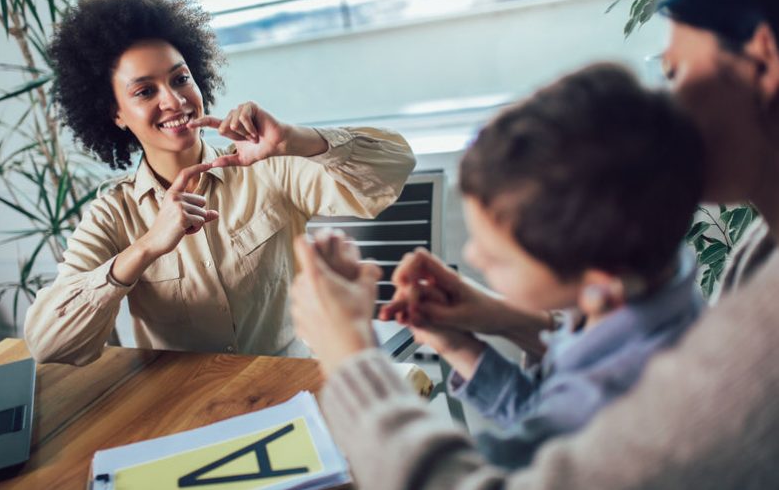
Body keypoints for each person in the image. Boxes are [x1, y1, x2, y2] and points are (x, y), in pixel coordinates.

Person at [288, 0, 779, 487]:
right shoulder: (743, 259)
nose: (664, 114)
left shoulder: (760, 338)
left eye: (673, 73)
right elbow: (566, 429)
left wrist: (350, 358)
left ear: (764, 61)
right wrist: (489, 328)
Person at [301, 63, 707, 470]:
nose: (473, 257)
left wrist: (350, 356)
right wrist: (460, 345)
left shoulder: (618, 401)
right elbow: (543, 418)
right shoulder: (657, 286)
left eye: (496, 256)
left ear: (599, 283)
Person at [23, 0, 415, 365]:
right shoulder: (113, 214)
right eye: (144, 92)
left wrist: (295, 139)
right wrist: (145, 248)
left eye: (180, 79)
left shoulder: (266, 166)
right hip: (186, 409)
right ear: (115, 114)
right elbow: (48, 343)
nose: (174, 100)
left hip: (286, 385)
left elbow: (394, 168)